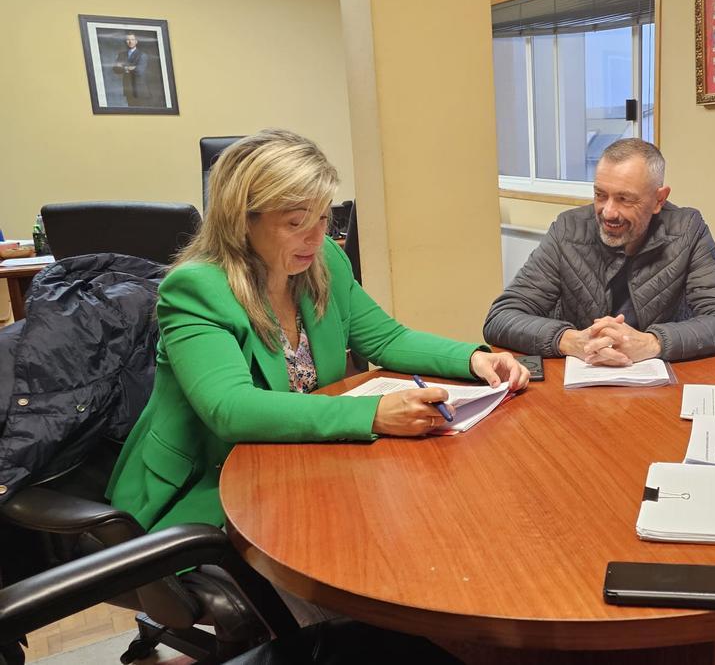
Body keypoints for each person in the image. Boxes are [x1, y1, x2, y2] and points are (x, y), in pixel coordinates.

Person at [106, 129, 530, 533]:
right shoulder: (197, 288)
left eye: (324, 218)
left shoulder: (321, 259)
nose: (316, 237)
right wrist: (374, 414)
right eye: (295, 223)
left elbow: (385, 339)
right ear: (242, 221)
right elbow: (230, 409)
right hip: (207, 487)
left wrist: (474, 359)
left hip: (299, 465)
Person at [483, 138, 715, 366]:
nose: (608, 212)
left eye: (625, 199)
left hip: (659, 386)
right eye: (600, 195)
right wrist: (571, 341)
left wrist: (652, 343)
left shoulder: (687, 231)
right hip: (580, 383)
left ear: (659, 199)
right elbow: (501, 317)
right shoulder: (568, 229)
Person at [111, 33, 147, 106]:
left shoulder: (142, 55)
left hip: (139, 89)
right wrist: (130, 67)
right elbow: (115, 69)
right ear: (125, 41)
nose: (130, 42)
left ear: (136, 41)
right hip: (128, 88)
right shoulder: (121, 54)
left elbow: (139, 70)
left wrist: (123, 67)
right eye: (128, 40)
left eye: (132, 39)